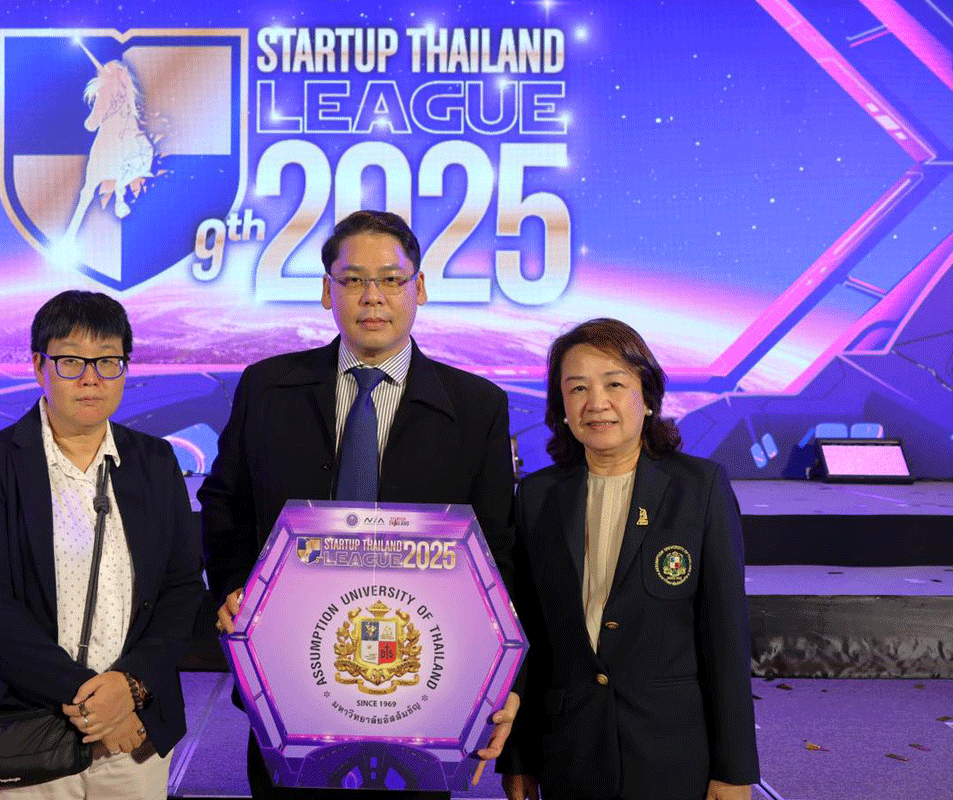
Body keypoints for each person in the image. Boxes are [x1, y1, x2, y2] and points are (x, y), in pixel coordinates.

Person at [198, 209, 519, 800]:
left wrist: (498, 677)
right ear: (328, 291)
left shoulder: (477, 407)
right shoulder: (268, 390)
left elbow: (498, 547)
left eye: (391, 280)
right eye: (352, 280)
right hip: (287, 676)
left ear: (419, 288)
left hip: (426, 688)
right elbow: (224, 505)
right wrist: (234, 588)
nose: (373, 297)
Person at [0, 290, 206, 799]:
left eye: (108, 361)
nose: (92, 378)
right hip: (30, 729)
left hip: (136, 729)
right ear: (38, 366)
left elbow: (181, 589)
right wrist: (95, 706)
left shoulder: (155, 462)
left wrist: (130, 688)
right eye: (71, 361)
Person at [498, 318, 760, 800]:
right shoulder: (537, 496)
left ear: (648, 396)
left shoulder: (699, 489)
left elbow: (726, 638)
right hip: (570, 751)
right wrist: (519, 758)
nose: (595, 402)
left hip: (671, 753)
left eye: (614, 384)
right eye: (577, 388)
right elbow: (529, 637)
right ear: (562, 407)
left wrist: (735, 770)